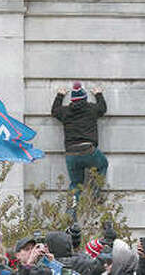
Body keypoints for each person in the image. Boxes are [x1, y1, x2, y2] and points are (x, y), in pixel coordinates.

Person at [51, 82, 108, 213]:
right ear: (85, 98)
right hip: (88, 150)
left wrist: (59, 95)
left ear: (72, 99)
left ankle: (71, 215)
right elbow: (103, 108)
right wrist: (99, 94)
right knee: (103, 164)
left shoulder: (65, 112)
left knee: (75, 185)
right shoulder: (91, 109)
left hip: (71, 153)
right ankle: (95, 194)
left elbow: (54, 111)